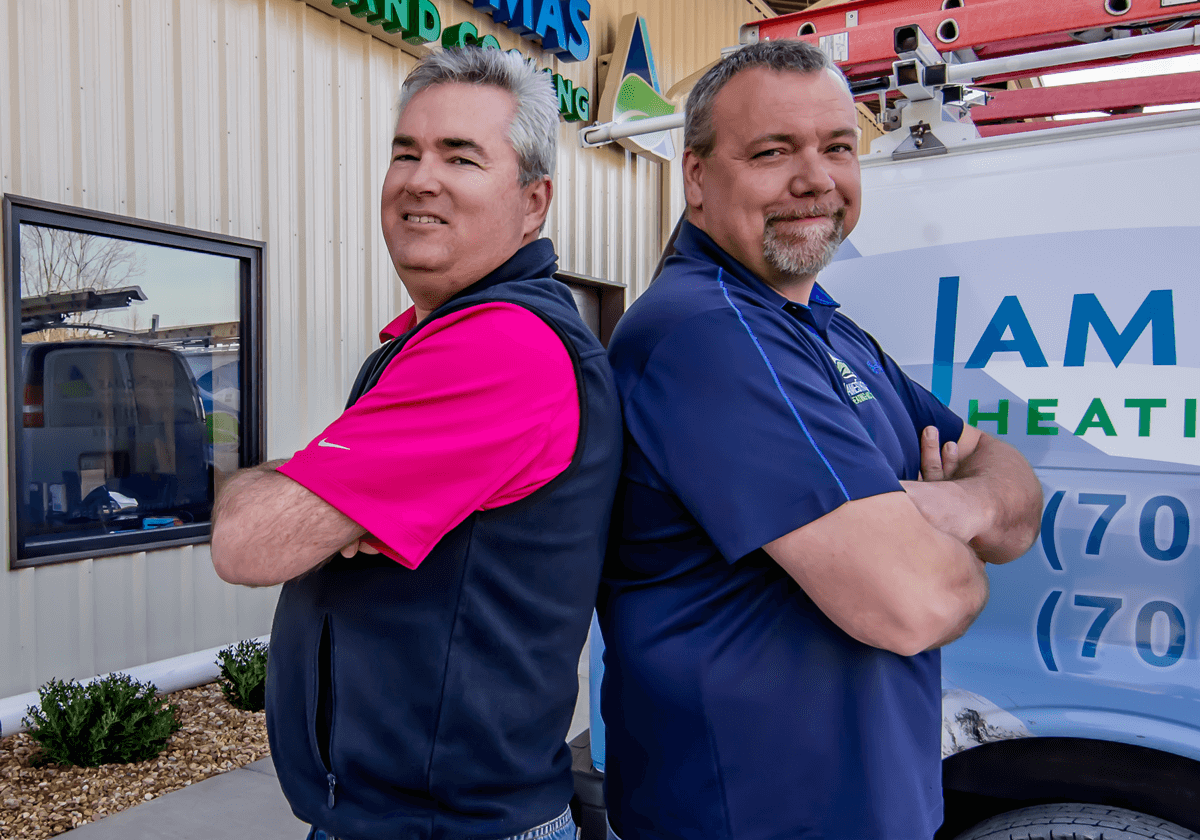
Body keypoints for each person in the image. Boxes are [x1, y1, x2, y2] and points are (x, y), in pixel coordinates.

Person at [598, 40, 1043, 840]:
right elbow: (921, 601)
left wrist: (955, 506)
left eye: (837, 147)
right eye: (773, 152)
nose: (815, 178)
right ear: (695, 178)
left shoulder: (830, 332)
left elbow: (1013, 484)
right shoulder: (705, 334)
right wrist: (954, 543)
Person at [211, 47, 622, 840]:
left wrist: (295, 492)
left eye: (461, 156)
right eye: (407, 151)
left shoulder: (503, 348)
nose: (419, 178)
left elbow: (249, 541)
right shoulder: (435, 338)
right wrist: (322, 498)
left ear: (533, 202)